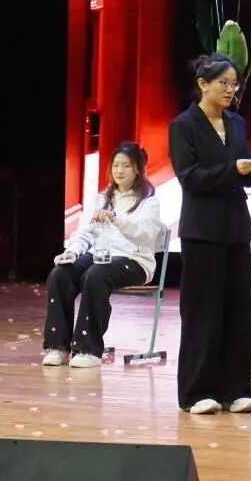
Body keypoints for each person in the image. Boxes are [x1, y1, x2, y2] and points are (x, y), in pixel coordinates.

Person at [169, 54, 251, 414]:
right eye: (224, 83)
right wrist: (233, 169)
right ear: (203, 84)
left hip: (235, 227)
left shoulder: (236, 123)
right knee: (203, 312)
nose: (231, 90)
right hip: (202, 230)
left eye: (234, 84)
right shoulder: (183, 125)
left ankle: (236, 389)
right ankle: (197, 392)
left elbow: (242, 170)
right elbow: (190, 178)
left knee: (239, 311)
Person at [41, 142, 162, 368]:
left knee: (96, 274)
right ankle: (57, 346)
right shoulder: (102, 197)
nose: (119, 171)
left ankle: (88, 349)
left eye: (126, 166)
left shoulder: (148, 201)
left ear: (137, 169)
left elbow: (144, 234)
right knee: (60, 273)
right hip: (101, 256)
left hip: (134, 261)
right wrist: (72, 251)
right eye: (116, 165)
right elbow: (85, 232)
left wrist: (115, 218)